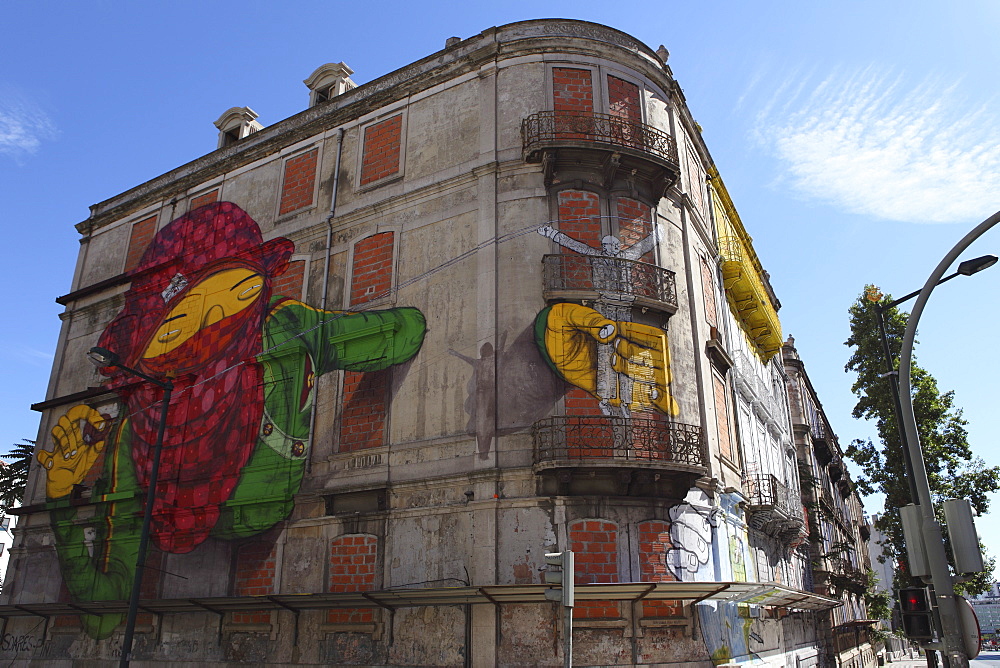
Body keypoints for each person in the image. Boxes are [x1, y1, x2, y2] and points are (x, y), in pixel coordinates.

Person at [37, 202, 426, 638]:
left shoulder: (282, 327)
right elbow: (105, 612)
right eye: (182, 321)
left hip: (285, 510)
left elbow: (405, 331)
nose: (217, 325)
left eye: (235, 294)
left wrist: (334, 339)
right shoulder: (137, 435)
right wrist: (60, 502)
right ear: (147, 348)